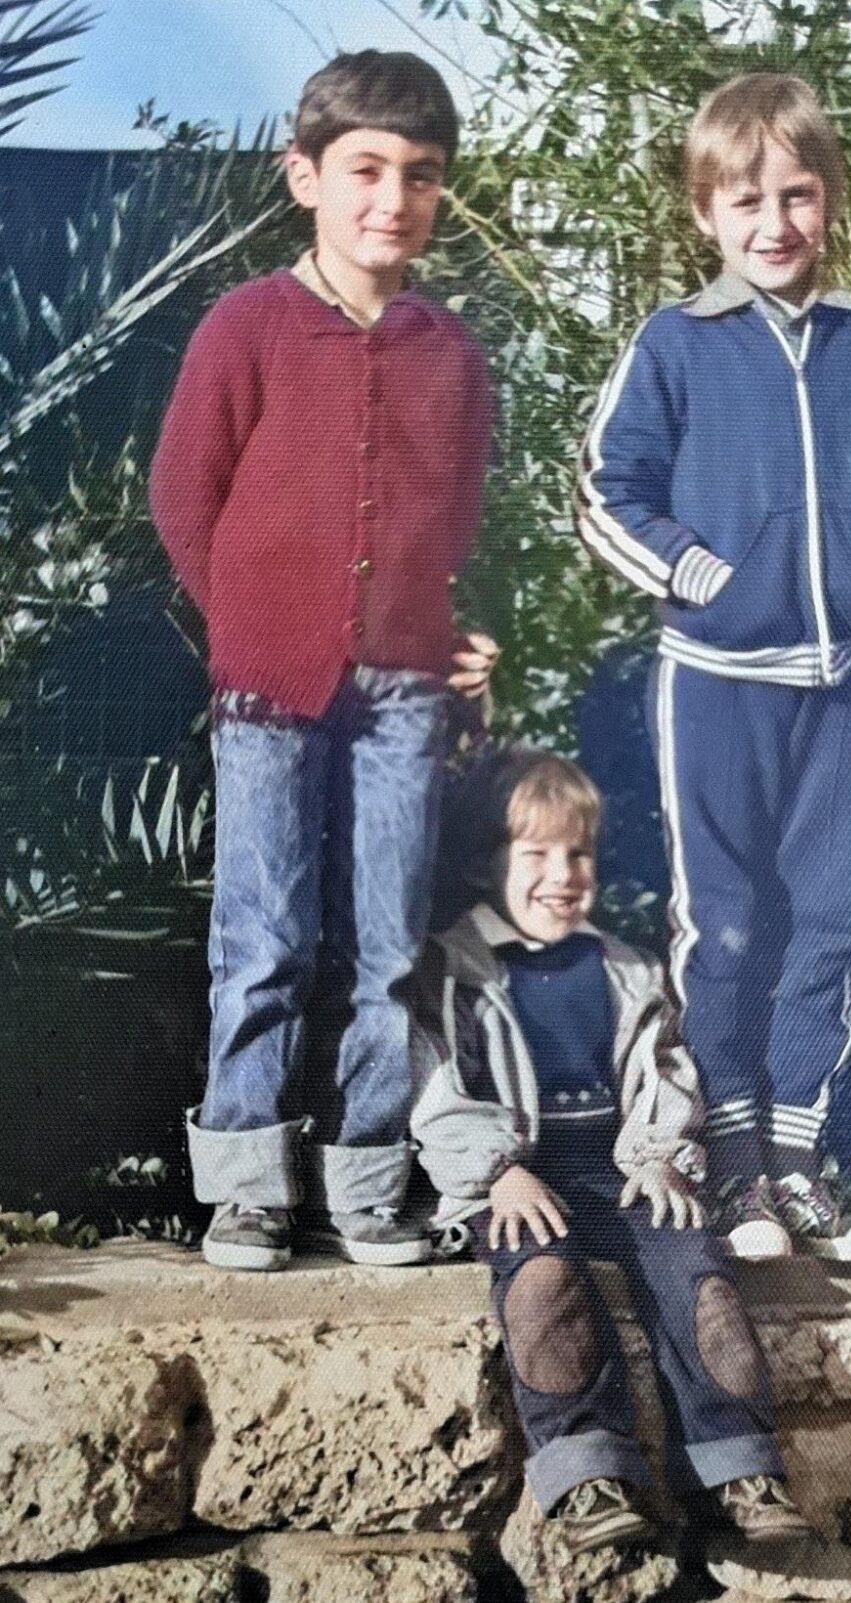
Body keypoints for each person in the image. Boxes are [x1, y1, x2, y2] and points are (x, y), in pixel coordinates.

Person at [576, 74, 851, 1261]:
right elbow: (609, 491)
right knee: (731, 923)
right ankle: (736, 1167)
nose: (774, 224)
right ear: (706, 212)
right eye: (745, 199)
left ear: (829, 198)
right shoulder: (676, 344)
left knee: (832, 919)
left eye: (797, 196)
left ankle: (800, 1167)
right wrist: (704, 577)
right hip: (714, 681)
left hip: (845, 678)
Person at [149, 50, 497, 1271]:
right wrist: (254, 624)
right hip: (266, 695)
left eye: (420, 175)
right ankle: (246, 1185)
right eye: (363, 170)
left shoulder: (450, 353)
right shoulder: (246, 327)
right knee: (266, 940)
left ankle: (369, 1182)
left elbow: (452, 519)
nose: (390, 200)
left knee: (393, 946)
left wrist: (444, 626)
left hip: (404, 691)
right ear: (306, 176)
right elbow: (184, 499)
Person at [410, 749, 812, 1556]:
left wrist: (661, 1156)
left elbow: (663, 1069)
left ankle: (736, 1471)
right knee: (543, 1283)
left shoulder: (625, 968)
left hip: (619, 1166)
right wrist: (497, 1172)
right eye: (536, 855)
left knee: (700, 1277)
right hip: (519, 1177)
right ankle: (587, 1474)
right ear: (487, 863)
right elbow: (435, 1083)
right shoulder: (455, 967)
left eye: (578, 854)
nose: (562, 874)